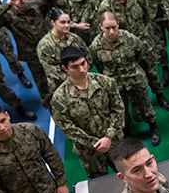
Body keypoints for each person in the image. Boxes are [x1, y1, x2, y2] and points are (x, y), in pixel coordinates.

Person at [98, 0, 169, 111]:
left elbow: (147, 17)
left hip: (143, 43)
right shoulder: (106, 8)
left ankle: (159, 95)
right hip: (123, 49)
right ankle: (136, 105)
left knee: (151, 72)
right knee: (130, 79)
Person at [50, 46, 125, 178]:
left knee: (126, 172)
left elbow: (118, 109)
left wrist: (108, 136)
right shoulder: (60, 98)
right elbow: (69, 129)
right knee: (100, 182)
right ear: (65, 69)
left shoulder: (105, 82)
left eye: (83, 63)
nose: (82, 69)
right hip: (89, 151)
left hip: (114, 141)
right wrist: (94, 143)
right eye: (75, 67)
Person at [90, 12, 162, 146]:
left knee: (145, 105)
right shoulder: (95, 46)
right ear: (101, 27)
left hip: (135, 80)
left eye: (114, 27)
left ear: (118, 24)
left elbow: (140, 55)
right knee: (120, 111)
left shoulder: (129, 39)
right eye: (107, 28)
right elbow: (99, 66)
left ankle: (153, 127)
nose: (111, 32)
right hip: (115, 86)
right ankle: (127, 132)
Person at [0, 0, 54, 107]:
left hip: (49, 49)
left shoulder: (36, 6)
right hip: (31, 54)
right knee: (41, 81)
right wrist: (7, 5)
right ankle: (48, 103)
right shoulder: (8, 15)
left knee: (57, 74)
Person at [37, 9, 89, 95]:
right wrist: (77, 77)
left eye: (68, 22)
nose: (67, 25)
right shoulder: (45, 46)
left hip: (83, 78)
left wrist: (83, 71)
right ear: (53, 22)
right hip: (62, 86)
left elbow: (87, 55)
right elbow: (52, 71)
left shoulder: (74, 38)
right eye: (63, 22)